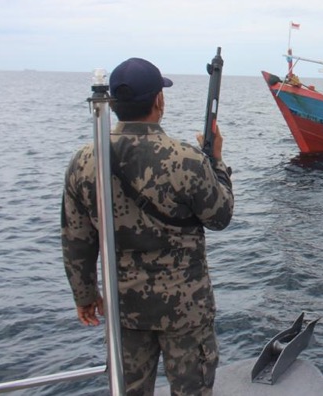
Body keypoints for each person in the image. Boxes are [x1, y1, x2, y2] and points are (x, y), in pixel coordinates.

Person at [61, 57, 234, 395]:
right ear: (159, 100)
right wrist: (217, 162)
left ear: (111, 104)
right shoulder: (186, 159)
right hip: (186, 308)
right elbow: (220, 216)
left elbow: (76, 239)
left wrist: (84, 294)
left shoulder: (84, 161)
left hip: (124, 308)